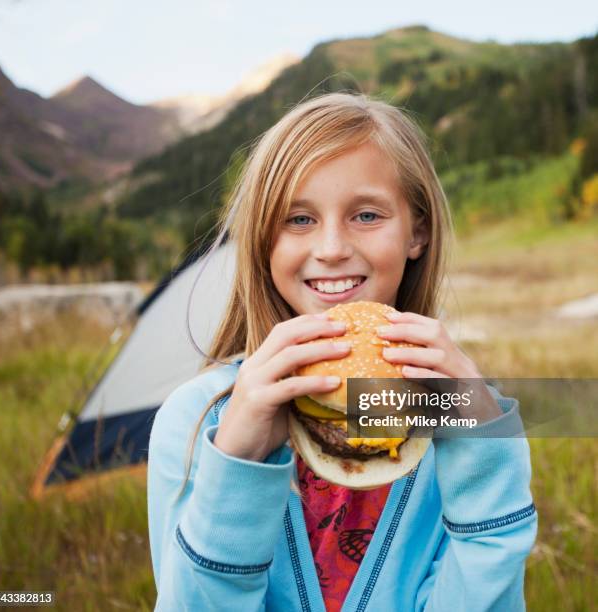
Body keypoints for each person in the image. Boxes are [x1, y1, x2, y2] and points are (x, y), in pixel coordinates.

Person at [147, 92, 537, 611]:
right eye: (299, 220)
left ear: (417, 231)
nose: (331, 248)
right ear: (263, 239)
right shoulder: (196, 422)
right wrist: (237, 461)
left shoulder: (457, 414)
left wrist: (484, 451)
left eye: (367, 215)